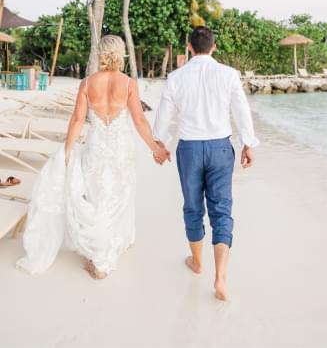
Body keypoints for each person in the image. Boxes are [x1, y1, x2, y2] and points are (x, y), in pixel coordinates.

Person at [16, 35, 170, 278]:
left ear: (101, 54)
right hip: (121, 147)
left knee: (98, 197)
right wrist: (155, 148)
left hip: (97, 146)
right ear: (120, 54)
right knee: (119, 193)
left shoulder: (87, 83)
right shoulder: (128, 83)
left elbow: (77, 119)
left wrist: (67, 150)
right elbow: (139, 120)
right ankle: (105, 256)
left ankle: (101, 248)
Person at [153, 26, 259, 301]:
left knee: (192, 207)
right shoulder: (228, 74)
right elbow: (241, 110)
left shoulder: (176, 77)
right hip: (220, 148)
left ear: (189, 47)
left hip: (189, 148)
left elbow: (164, 115)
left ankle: (197, 262)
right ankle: (220, 278)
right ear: (213, 47)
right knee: (221, 210)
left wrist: (160, 143)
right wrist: (248, 143)